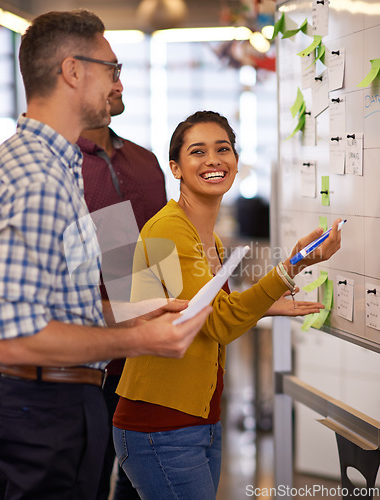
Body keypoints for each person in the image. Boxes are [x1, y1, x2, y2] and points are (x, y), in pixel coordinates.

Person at [0, 11, 211, 500]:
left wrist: (137, 316)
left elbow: (64, 300)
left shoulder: (69, 165)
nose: (118, 82)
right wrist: (141, 339)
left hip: (59, 388)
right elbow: (17, 339)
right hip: (44, 396)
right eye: (111, 69)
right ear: (74, 71)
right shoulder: (38, 178)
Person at [112, 111, 342, 500]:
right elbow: (218, 323)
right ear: (176, 168)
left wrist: (264, 306)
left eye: (223, 149)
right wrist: (292, 267)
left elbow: (199, 312)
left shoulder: (211, 240)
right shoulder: (170, 229)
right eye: (197, 152)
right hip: (161, 425)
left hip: (199, 418)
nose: (214, 160)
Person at [77, 77, 166, 499]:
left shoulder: (146, 163)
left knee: (139, 484)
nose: (121, 83)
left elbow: (156, 262)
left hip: (146, 364)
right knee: (86, 485)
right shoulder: (58, 167)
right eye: (110, 73)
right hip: (83, 369)